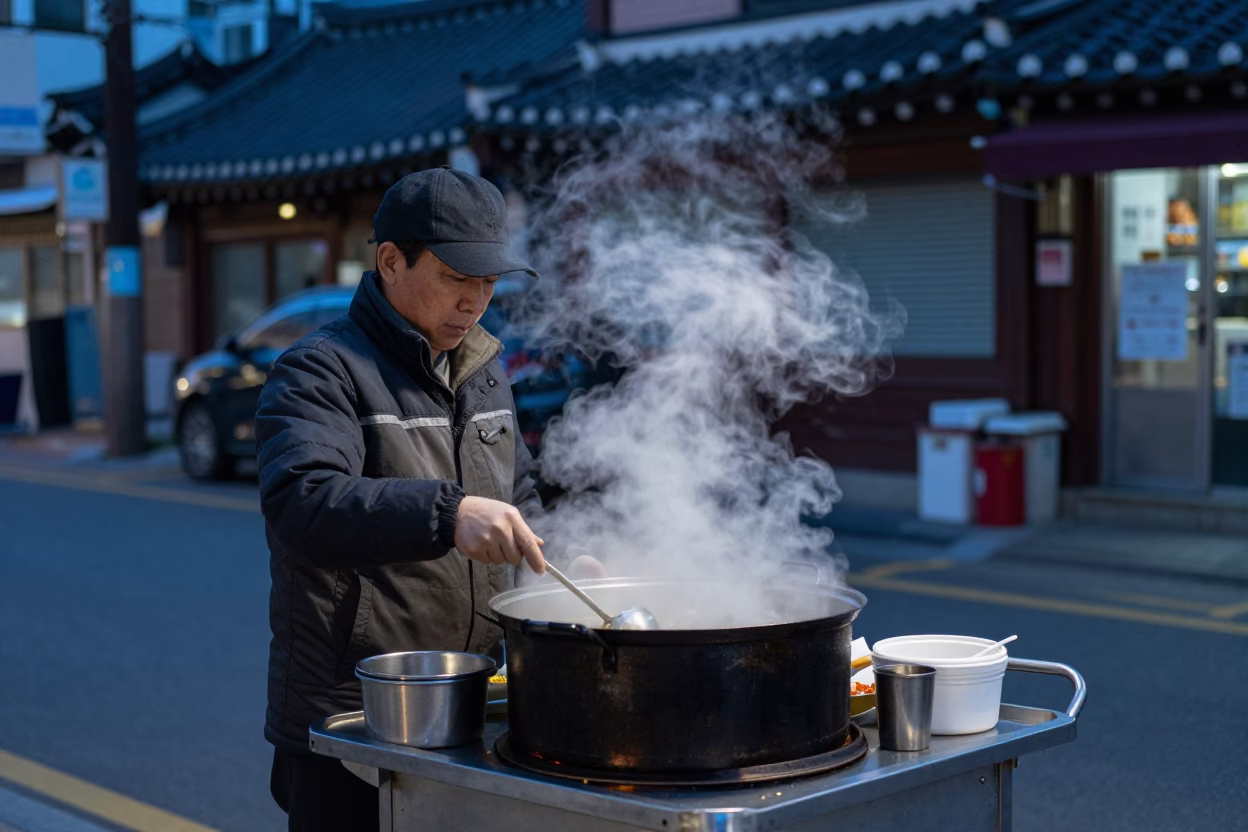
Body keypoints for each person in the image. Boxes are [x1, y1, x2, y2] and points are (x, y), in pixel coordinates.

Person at [257, 166, 561, 830]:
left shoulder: (482, 373)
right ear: (390, 261)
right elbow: (302, 502)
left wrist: (566, 560)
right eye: (457, 278)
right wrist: (447, 514)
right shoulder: (320, 369)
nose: (475, 301)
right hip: (351, 718)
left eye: (488, 283)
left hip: (468, 700)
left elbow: (519, 494)